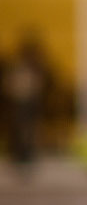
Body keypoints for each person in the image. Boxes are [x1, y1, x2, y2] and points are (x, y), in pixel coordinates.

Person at [3, 30, 55, 174]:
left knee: (31, 129)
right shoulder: (16, 66)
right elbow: (9, 84)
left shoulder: (37, 67)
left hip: (32, 102)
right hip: (18, 102)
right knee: (18, 129)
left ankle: (28, 154)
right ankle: (19, 154)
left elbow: (46, 83)